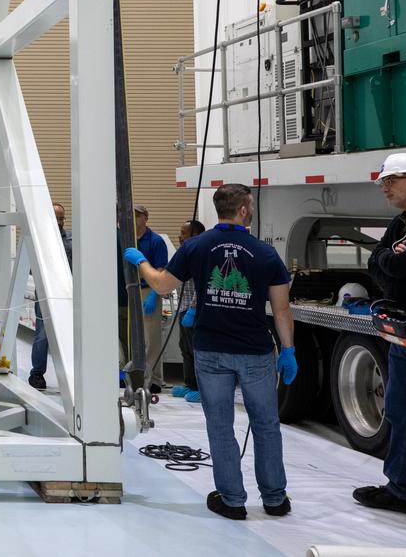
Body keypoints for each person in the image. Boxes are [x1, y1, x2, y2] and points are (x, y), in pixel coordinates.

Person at [125, 183, 295, 519]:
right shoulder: (265, 253)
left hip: (211, 350)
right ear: (244, 210)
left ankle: (232, 501)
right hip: (255, 352)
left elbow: (161, 284)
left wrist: (141, 262)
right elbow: (282, 309)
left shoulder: (196, 246)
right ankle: (275, 499)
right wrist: (288, 350)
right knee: (265, 424)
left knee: (220, 425)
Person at [352, 152, 406, 524]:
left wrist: (391, 260)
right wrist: (389, 257)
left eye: (391, 181)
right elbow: (378, 263)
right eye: (383, 181)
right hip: (404, 334)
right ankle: (401, 489)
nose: (384, 187)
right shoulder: (401, 224)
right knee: (401, 411)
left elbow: (400, 264)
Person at [29, 203, 72, 390]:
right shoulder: (40, 240)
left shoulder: (71, 239)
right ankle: (37, 374)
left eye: (62, 218)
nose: (59, 221)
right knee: (42, 334)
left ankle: (71, 373)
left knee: (72, 334)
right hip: (46, 293)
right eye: (56, 217)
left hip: (68, 293)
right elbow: (33, 268)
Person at [134, 205, 170, 394]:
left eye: (138, 216)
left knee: (151, 337)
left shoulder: (155, 241)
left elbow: (161, 270)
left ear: (146, 218)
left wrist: (155, 294)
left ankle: (154, 379)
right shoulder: (127, 240)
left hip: (150, 291)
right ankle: (134, 376)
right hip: (130, 291)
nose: (134, 219)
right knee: (133, 337)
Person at [171, 219, 207, 403]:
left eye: (183, 233)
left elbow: (203, 285)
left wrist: (193, 309)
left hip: (196, 311)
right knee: (185, 348)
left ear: (195, 235)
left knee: (196, 350)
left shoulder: (201, 254)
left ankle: (203, 389)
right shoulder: (183, 254)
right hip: (183, 309)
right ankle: (190, 384)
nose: (179, 236)